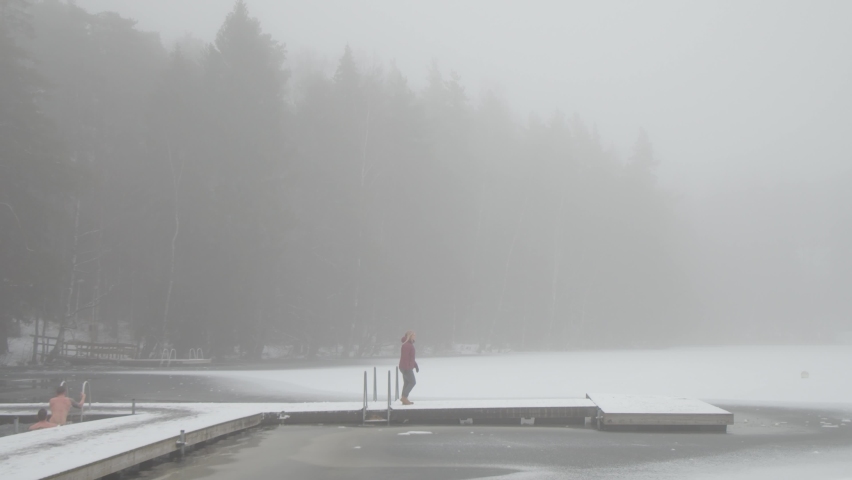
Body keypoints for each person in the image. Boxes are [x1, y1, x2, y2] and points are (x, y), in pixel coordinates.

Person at [399, 330, 419, 405]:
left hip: (406, 367)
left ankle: (404, 398)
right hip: (406, 367)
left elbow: (411, 358)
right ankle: (404, 397)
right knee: (412, 382)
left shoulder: (408, 345)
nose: (415, 336)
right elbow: (405, 357)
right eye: (413, 335)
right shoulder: (407, 345)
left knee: (407, 382)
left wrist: (415, 365)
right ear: (410, 336)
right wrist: (407, 368)